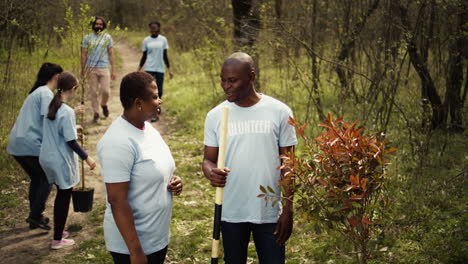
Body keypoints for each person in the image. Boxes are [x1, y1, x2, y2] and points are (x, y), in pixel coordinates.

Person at [202, 52, 297, 264]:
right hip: (231, 210)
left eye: (233, 80)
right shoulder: (216, 115)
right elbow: (208, 160)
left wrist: (288, 210)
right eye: (223, 80)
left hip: (269, 211)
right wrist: (211, 173)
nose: (226, 85)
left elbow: (289, 165)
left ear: (251, 77)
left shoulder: (279, 111)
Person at [97, 72, 182, 264]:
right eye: (154, 96)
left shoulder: (147, 129)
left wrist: (172, 181)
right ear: (138, 103)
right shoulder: (117, 142)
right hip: (133, 246)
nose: (159, 101)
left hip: (156, 237)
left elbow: (157, 169)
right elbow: (117, 200)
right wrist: (135, 251)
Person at [39, 72, 97, 249]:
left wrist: (75, 127)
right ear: (72, 89)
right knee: (64, 197)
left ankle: (59, 229)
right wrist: (87, 158)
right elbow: (70, 141)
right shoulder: (65, 111)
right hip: (59, 159)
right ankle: (57, 240)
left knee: (60, 195)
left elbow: (61, 129)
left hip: (47, 157)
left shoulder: (53, 105)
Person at [7, 62, 63, 230]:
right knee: (48, 177)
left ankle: (35, 215)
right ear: (56, 77)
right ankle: (34, 216)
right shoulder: (45, 94)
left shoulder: (37, 92)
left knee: (38, 178)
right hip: (29, 144)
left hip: (18, 144)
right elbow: (51, 120)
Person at [81, 15, 116, 123]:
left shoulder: (107, 38)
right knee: (93, 92)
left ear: (103, 25)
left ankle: (104, 104)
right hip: (91, 69)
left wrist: (113, 69)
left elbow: (111, 54)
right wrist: (83, 69)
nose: (98, 26)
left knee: (106, 91)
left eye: (100, 24)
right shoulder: (87, 38)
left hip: (104, 67)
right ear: (93, 25)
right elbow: (83, 54)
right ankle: (96, 113)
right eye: (96, 24)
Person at [138, 21, 173, 100]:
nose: (153, 30)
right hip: (149, 68)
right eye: (151, 28)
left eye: (155, 28)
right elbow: (144, 56)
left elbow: (165, 55)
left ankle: (157, 105)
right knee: (149, 89)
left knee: (159, 91)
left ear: (159, 29)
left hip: (160, 68)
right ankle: (150, 107)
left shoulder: (163, 40)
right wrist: (139, 69)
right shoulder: (146, 40)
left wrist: (169, 69)